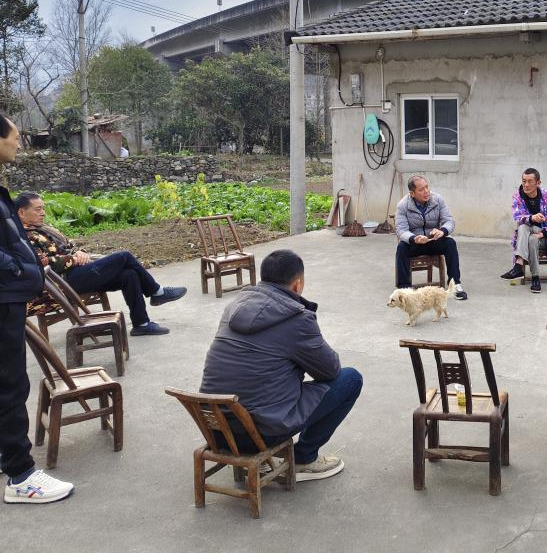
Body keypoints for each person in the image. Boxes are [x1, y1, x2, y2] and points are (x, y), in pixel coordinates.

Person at [200, 249, 363, 480]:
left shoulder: (233, 307)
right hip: (257, 433)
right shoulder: (297, 319)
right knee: (350, 378)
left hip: (216, 427)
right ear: (297, 285)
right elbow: (330, 370)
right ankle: (304, 459)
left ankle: (282, 456)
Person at [0, 113, 74, 504]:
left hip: (10, 294)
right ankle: (21, 477)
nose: (18, 143)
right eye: (14, 137)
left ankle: (6, 456)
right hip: (5, 297)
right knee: (11, 386)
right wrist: (21, 268)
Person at [16, 192, 186, 336]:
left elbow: (69, 245)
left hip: (77, 273)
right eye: (38, 209)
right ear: (22, 212)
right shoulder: (22, 237)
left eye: (43, 208)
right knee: (124, 257)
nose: (43, 213)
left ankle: (141, 325)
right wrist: (73, 259)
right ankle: (157, 292)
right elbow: (43, 265)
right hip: (62, 283)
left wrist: (78, 252)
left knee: (129, 274)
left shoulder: (44, 228)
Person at [394, 176, 467, 300]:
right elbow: (401, 230)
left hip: (433, 241)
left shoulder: (438, 199)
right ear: (412, 193)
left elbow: (449, 221)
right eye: (421, 189)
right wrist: (413, 238)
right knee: (401, 247)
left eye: (427, 187)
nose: (426, 191)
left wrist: (442, 231)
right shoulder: (403, 205)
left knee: (450, 243)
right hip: (416, 243)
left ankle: (455, 284)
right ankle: (405, 289)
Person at [500, 168, 547, 293]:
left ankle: (519, 266)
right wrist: (531, 217)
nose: (526, 185)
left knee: (531, 235)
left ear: (538, 183)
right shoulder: (518, 196)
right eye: (524, 181)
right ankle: (535, 278)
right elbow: (517, 216)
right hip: (528, 234)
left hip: (546, 236)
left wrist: (543, 233)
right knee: (527, 232)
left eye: (530, 181)